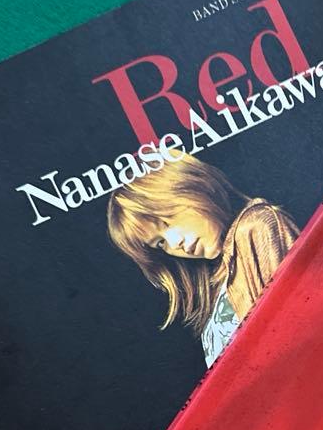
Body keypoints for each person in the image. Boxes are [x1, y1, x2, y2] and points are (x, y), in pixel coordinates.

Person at [107, 154, 299, 365]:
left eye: (168, 220)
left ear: (191, 185)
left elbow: (295, 339)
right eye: (160, 243)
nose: (175, 243)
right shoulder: (218, 280)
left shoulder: (256, 227)